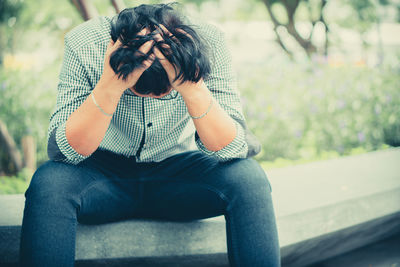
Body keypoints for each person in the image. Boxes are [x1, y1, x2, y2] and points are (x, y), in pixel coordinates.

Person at [19, 3, 280, 266]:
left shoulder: (208, 41)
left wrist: (192, 88)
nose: (156, 97)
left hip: (180, 175)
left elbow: (233, 146)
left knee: (249, 179)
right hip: (101, 175)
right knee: (49, 183)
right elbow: (62, 150)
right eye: (143, 91)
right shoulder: (85, 41)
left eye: (165, 92)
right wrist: (111, 85)